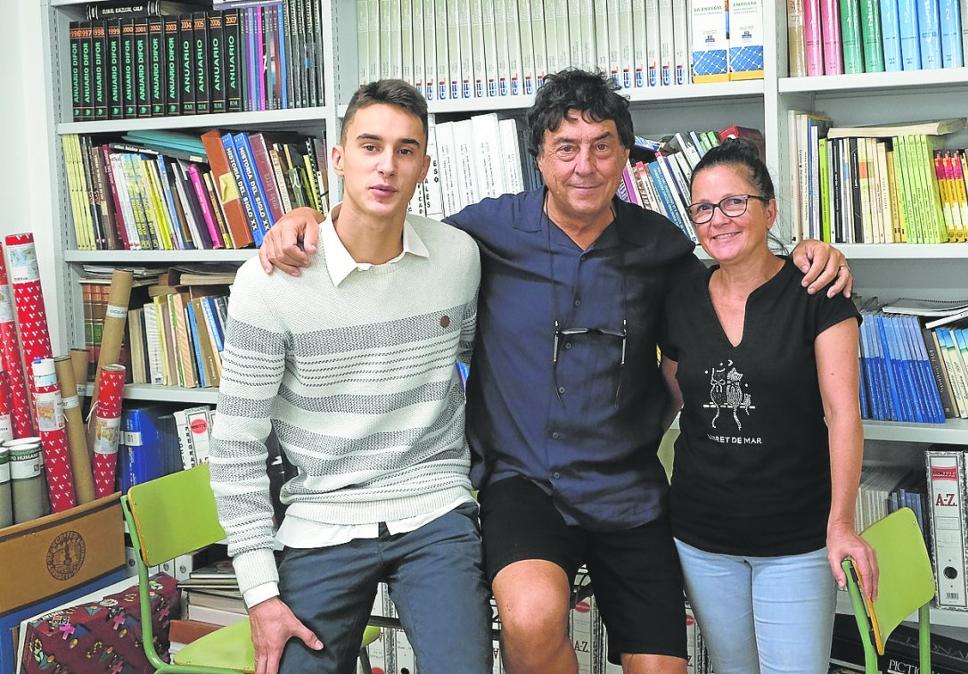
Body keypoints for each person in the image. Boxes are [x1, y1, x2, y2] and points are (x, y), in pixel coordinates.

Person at [257, 69, 853, 674]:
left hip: (628, 488)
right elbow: (384, 229)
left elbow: (734, 275)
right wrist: (309, 218)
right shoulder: (481, 235)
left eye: (602, 147)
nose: (584, 166)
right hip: (524, 485)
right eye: (565, 148)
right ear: (538, 157)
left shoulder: (663, 246)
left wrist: (804, 249)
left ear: (626, 158)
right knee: (531, 617)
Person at [209, 79, 490, 674]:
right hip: (320, 520)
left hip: (433, 507)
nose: (386, 166)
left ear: (425, 167)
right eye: (369, 146)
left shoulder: (459, 258)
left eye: (405, 150)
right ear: (337, 159)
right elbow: (235, 446)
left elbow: (469, 355)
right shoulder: (269, 284)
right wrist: (260, 594)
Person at [658, 139, 877, 674]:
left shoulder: (817, 290)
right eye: (704, 209)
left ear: (769, 209)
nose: (719, 220)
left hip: (796, 538)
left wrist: (842, 524)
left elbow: (842, 414)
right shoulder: (679, 296)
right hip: (701, 536)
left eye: (736, 202)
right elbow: (669, 399)